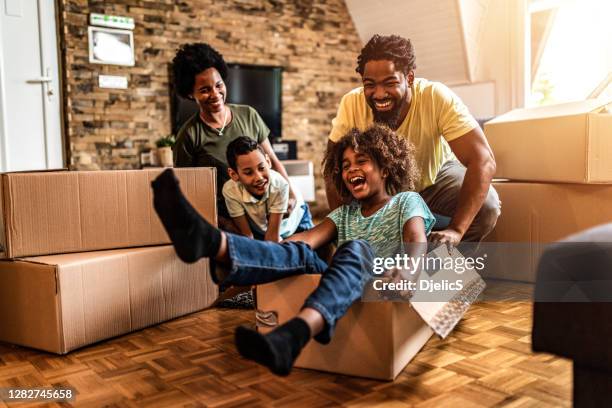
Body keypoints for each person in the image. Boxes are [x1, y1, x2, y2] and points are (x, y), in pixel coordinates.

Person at [151, 124, 435, 376]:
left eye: (362, 161)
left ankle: (293, 330)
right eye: (345, 165)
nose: (351, 170)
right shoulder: (345, 213)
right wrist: (257, 256)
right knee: (301, 251)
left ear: (385, 168)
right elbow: (303, 240)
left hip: (382, 282)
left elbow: (416, 240)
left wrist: (409, 270)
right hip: (339, 283)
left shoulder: (405, 201)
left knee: (356, 248)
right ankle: (215, 244)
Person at [325, 34, 500, 245]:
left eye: (389, 83)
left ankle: (439, 268)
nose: (379, 94)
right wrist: (344, 234)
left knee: (488, 206)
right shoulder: (351, 103)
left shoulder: (436, 96)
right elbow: (332, 168)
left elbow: (483, 160)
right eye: (370, 85)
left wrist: (456, 230)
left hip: (433, 181)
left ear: (409, 78)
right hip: (381, 189)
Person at [171, 43, 298, 227]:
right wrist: (224, 225)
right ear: (191, 94)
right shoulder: (189, 136)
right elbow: (187, 192)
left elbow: (272, 159)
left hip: (267, 209)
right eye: (205, 90)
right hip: (228, 219)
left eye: (218, 85)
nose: (215, 94)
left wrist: (291, 196)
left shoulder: (249, 115)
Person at [223, 136, 313, 242]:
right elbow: (247, 235)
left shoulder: (279, 186)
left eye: (261, 168)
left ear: (268, 162)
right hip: (264, 229)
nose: (259, 178)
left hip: (296, 223)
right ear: (233, 174)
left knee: (309, 252)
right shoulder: (230, 191)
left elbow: (272, 238)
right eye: (248, 173)